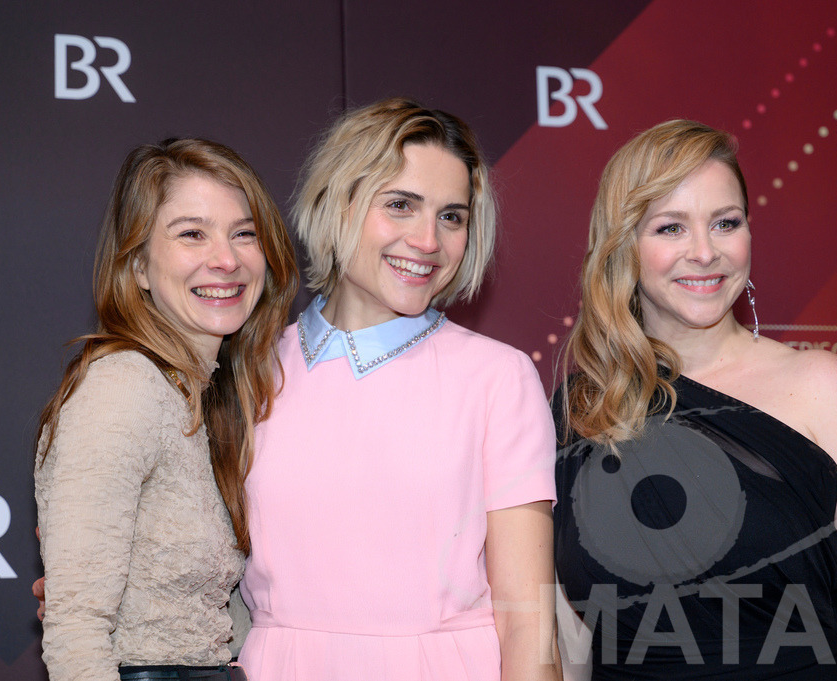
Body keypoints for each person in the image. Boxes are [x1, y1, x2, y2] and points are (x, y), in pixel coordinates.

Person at [552, 119, 837, 680]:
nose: (705, 252)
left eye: (725, 223)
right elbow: (567, 632)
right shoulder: (580, 410)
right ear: (623, 244)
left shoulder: (824, 388)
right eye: (671, 228)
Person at [234, 98, 561, 681]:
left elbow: (527, 623)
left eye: (451, 217)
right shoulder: (246, 369)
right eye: (401, 205)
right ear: (337, 202)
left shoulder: (498, 378)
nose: (428, 240)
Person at [34, 138, 297, 681]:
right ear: (138, 266)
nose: (226, 259)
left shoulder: (213, 395)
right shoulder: (122, 387)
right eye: (192, 234)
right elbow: (76, 628)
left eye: (244, 233)